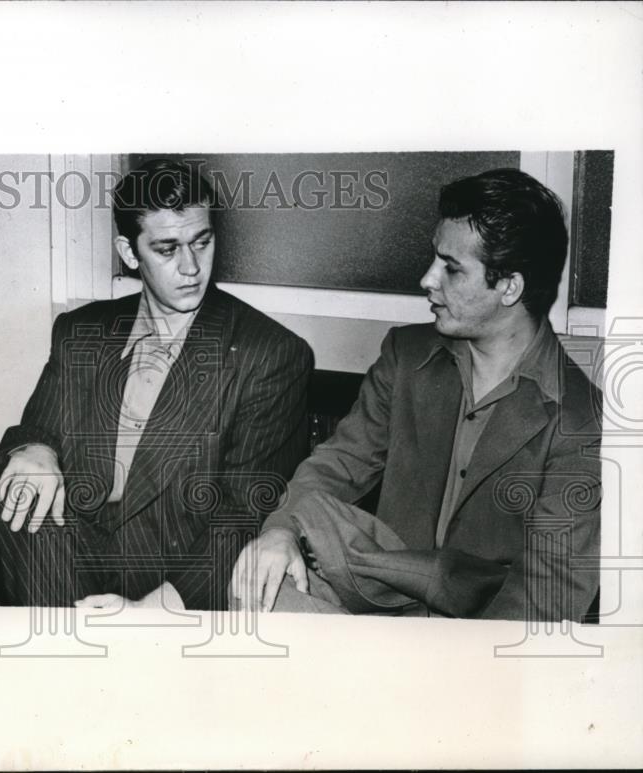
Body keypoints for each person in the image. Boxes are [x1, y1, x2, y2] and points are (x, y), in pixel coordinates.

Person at [231, 168, 601, 622]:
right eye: (434, 260)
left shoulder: (584, 421)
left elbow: (547, 596)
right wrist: (280, 530)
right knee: (259, 588)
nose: (427, 279)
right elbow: (339, 463)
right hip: (372, 610)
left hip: (478, 645)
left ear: (510, 287)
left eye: (451, 268)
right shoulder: (406, 356)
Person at [0, 159, 314, 610]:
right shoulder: (80, 331)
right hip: (66, 552)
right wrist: (37, 451)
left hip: (168, 573)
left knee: (36, 564)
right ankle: (81, 641)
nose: (191, 267)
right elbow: (39, 429)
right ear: (129, 253)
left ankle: (76, 650)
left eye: (201, 243)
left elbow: (244, 512)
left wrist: (153, 610)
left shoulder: (270, 352)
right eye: (167, 249)